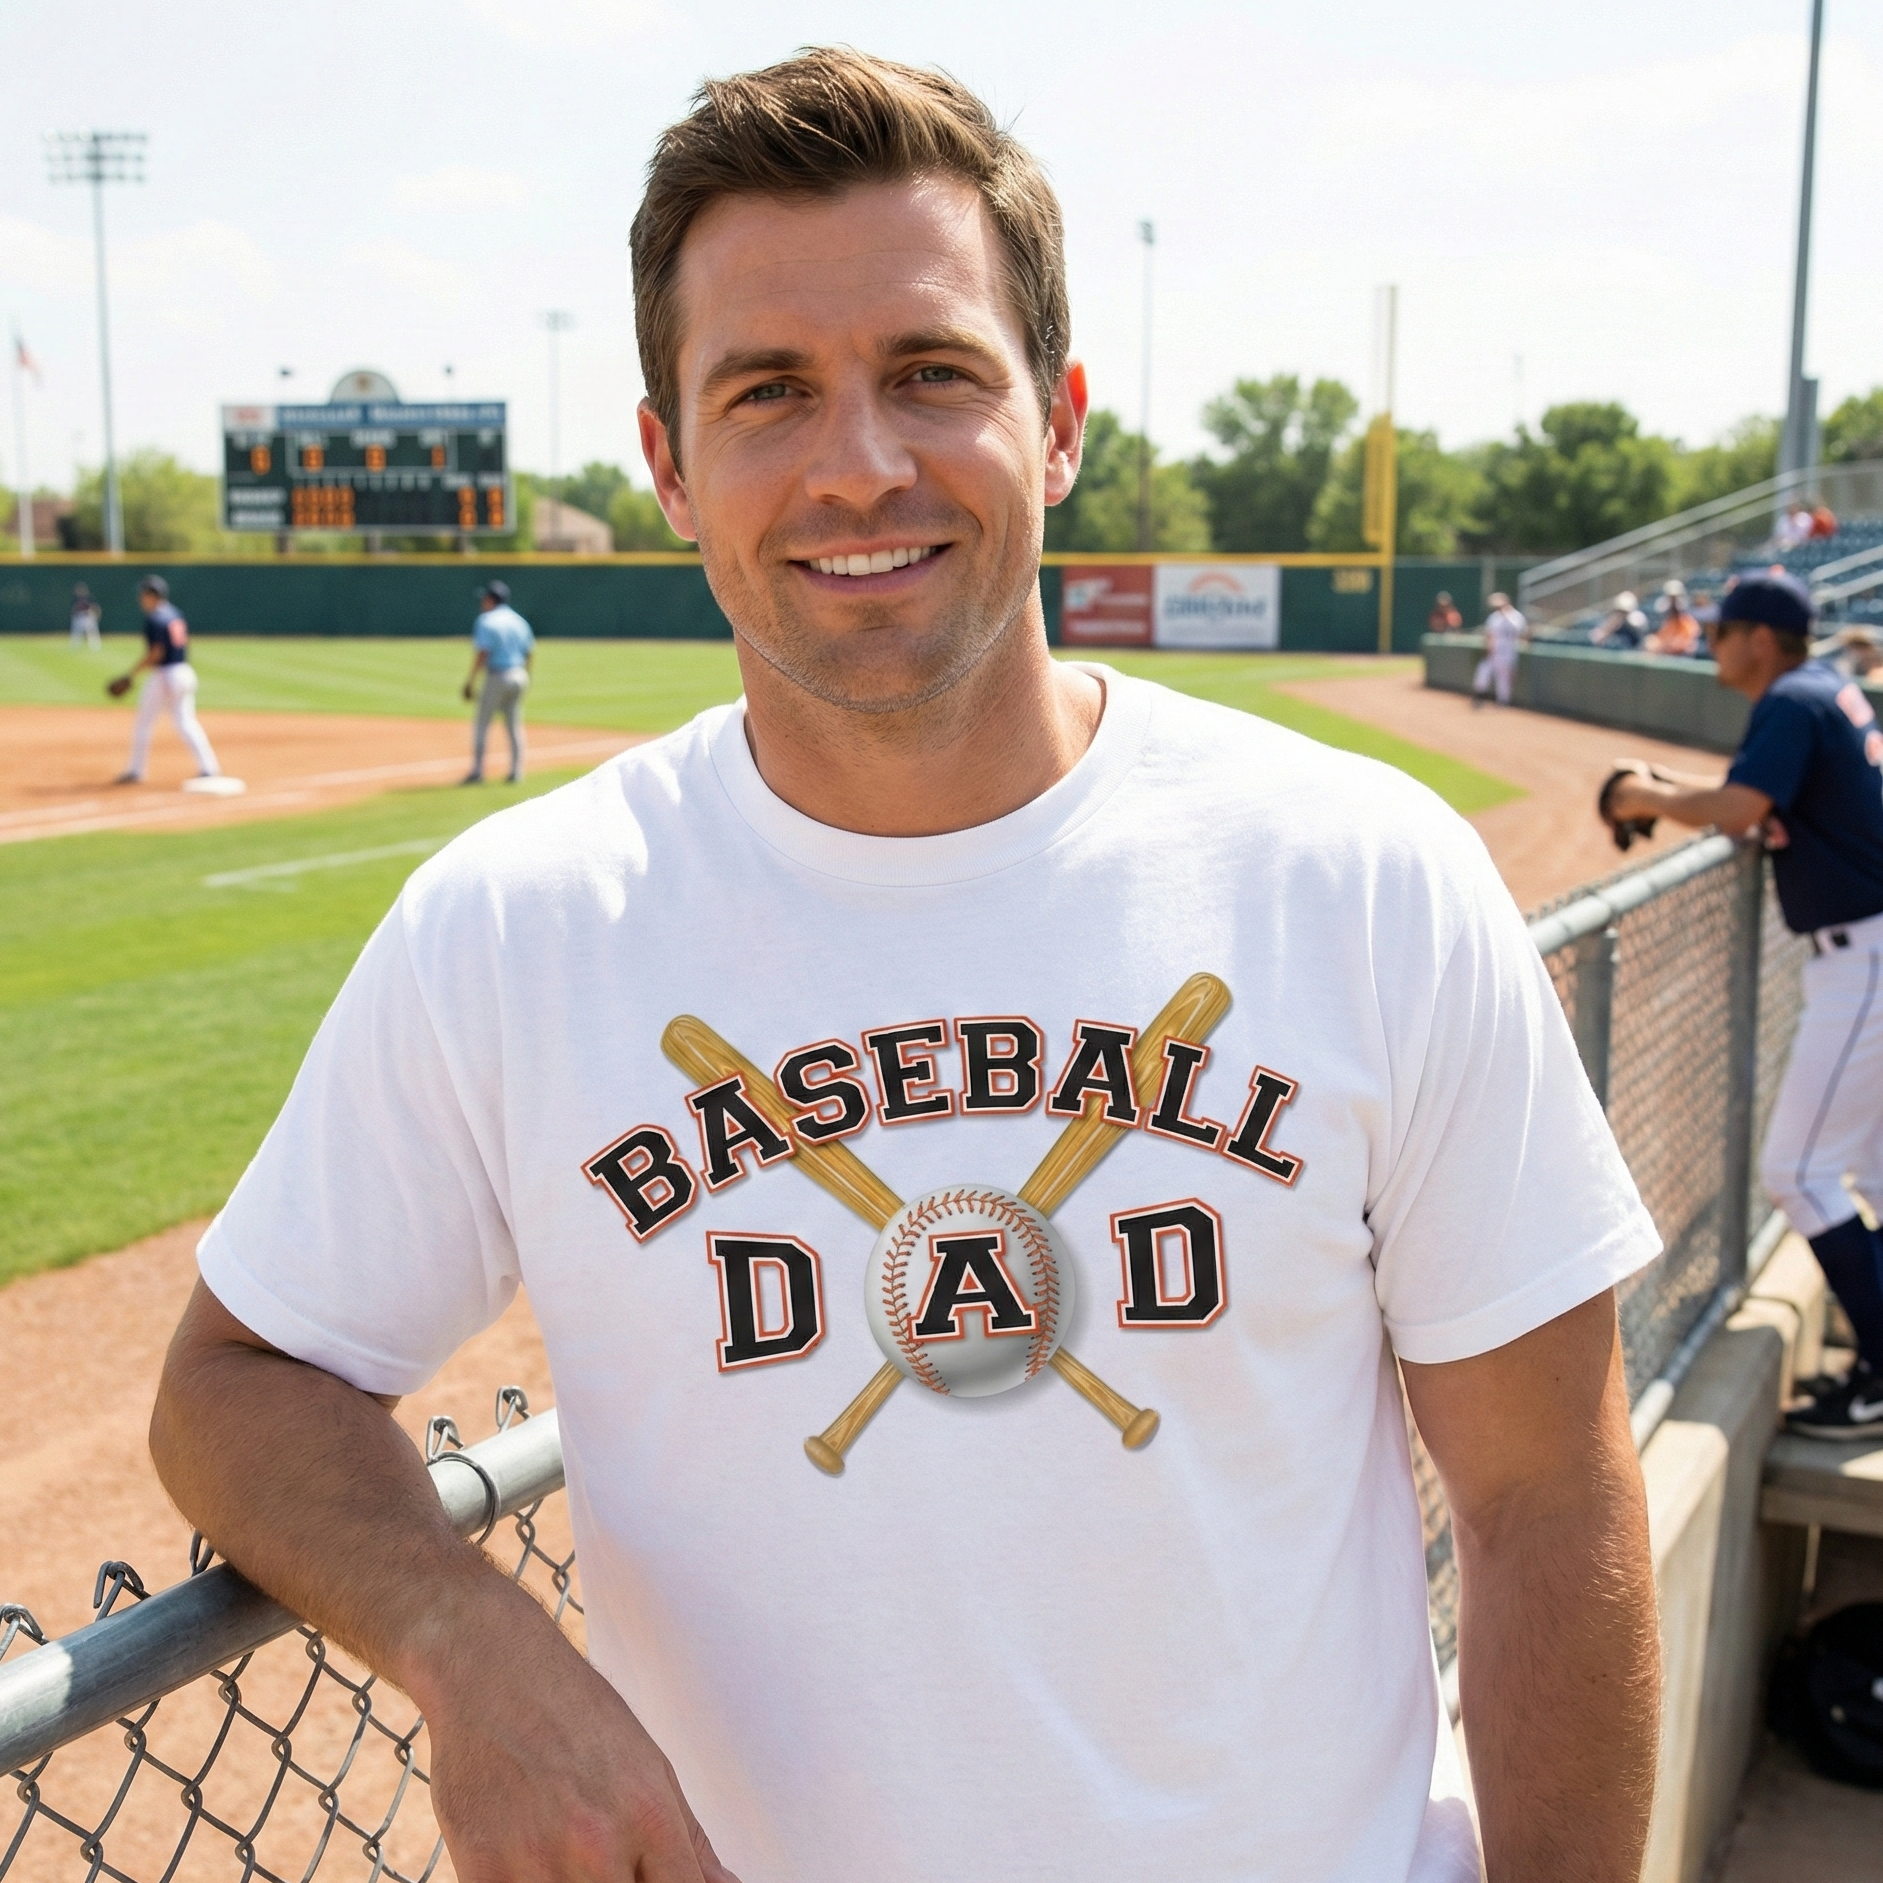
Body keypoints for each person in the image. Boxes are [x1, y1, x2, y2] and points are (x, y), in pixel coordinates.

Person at [151, 50, 1662, 1883]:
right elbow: (240, 1379)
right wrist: (474, 1654)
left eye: (932, 372)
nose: (857, 462)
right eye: (767, 390)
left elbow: (1541, 1497)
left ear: (1059, 420)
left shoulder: (1354, 875)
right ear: (667, 462)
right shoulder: (518, 925)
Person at [1601, 572, 1883, 1440]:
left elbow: (1740, 807)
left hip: (1865, 955)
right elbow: (1752, 799)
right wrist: (1655, 783)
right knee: (1869, 1175)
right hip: (1868, 945)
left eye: (1723, 629)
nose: (1713, 639)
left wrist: (1642, 796)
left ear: (1760, 637)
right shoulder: (1814, 690)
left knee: (1794, 1174)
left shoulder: (1790, 701)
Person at [112, 575, 221, 784]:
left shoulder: (154, 618)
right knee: (186, 721)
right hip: (185, 671)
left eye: (143, 594)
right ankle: (209, 767)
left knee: (144, 723)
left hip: (165, 676)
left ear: (152, 595)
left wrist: (132, 673)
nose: (140, 599)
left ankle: (136, 770)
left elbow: (157, 653)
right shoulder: (175, 613)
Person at [460, 579, 535, 784]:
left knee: (482, 723)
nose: (482, 601)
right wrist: (526, 675)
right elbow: (529, 652)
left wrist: (470, 681)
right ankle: (516, 771)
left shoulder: (486, 620)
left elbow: (483, 652)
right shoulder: (519, 620)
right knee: (514, 724)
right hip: (519, 674)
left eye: (484, 597)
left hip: (497, 675)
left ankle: (477, 771)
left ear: (491, 599)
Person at [1471, 590, 1527, 705]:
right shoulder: (1494, 617)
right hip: (1494, 651)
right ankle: (1479, 697)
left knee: (1503, 678)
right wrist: (1489, 647)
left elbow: (1521, 632)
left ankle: (1503, 701)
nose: (1497, 607)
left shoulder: (1516, 616)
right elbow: (1489, 634)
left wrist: (1506, 615)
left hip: (1508, 651)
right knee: (1483, 672)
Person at [1646, 580, 1700, 658]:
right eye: (1671, 598)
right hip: (1666, 657)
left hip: (1681, 659)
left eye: (1674, 598)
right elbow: (1660, 639)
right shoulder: (1667, 621)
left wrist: (1665, 646)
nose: (1673, 603)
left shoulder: (1689, 622)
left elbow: (1685, 645)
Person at [69, 582, 101, 649]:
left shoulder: (90, 598)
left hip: (88, 616)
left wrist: (96, 615)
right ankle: (74, 646)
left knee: (92, 632)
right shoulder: (75, 598)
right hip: (79, 617)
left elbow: (95, 607)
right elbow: (73, 608)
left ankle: (95, 647)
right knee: (76, 633)